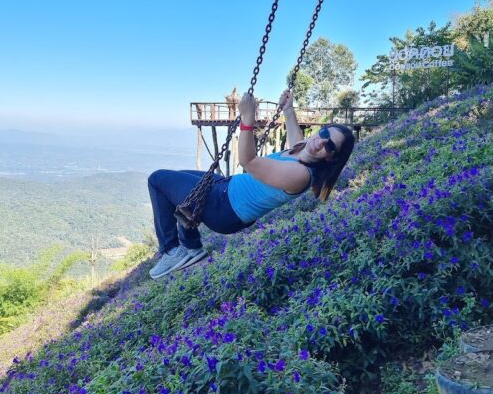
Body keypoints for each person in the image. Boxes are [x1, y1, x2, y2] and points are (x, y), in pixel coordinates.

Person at [147, 89, 355, 279]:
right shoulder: (304, 152)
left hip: (225, 208)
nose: (320, 142)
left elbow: (247, 161)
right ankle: (191, 246)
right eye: (324, 134)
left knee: (157, 180)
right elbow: (297, 141)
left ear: (331, 158)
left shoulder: (300, 174)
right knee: (176, 182)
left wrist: (248, 118)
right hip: (227, 187)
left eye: (329, 146)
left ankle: (171, 251)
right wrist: (289, 111)